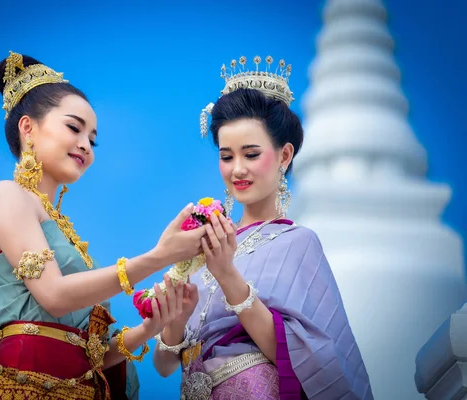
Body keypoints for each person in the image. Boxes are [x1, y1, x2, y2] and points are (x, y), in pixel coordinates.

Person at [0, 51, 207, 400]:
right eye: (73, 128)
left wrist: (151, 326)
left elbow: (91, 355)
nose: (85, 145)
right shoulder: (7, 196)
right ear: (27, 127)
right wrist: (159, 257)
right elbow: (53, 296)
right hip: (22, 387)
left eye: (92, 139)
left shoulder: (60, 226)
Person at [152, 56, 373, 399]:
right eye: (227, 156)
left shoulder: (297, 243)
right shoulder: (203, 246)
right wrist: (176, 320)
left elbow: (297, 355)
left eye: (251, 154)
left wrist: (227, 275)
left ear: (284, 156)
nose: (237, 169)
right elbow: (164, 365)